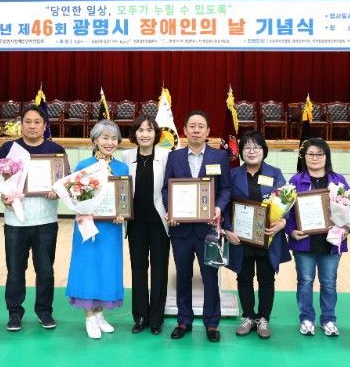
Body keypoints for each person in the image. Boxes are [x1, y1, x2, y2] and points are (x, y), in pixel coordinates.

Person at [162, 110, 232, 343]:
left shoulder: (219, 157)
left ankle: (211, 323)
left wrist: (218, 208)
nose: (196, 130)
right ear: (184, 130)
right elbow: (166, 189)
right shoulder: (174, 157)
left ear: (208, 131)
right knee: (182, 275)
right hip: (181, 229)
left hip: (207, 229)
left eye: (201, 126)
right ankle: (184, 320)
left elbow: (225, 189)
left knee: (210, 276)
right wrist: (170, 209)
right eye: (192, 126)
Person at [0, 104, 67, 332]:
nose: (32, 126)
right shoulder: (9, 148)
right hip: (15, 221)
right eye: (27, 121)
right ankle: (14, 313)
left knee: (45, 271)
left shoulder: (56, 150)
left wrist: (58, 191)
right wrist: (3, 196)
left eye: (37, 122)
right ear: (21, 124)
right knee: (15, 271)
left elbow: (65, 182)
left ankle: (44, 311)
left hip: (45, 220)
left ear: (45, 125)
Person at [65, 119, 128, 339]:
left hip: (111, 227)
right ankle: (89, 316)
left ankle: (100, 313)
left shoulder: (122, 167)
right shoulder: (83, 165)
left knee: (107, 267)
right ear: (95, 140)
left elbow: (124, 198)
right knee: (88, 267)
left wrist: (122, 212)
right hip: (88, 226)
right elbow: (74, 197)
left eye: (114, 138)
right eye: (105, 137)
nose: (110, 142)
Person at [225, 130, 290, 339]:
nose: (251, 151)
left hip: (267, 238)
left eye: (256, 147)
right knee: (244, 277)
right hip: (241, 238)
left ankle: (263, 318)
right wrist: (227, 230)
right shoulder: (232, 174)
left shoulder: (275, 173)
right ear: (241, 151)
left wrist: (282, 223)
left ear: (264, 150)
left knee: (266, 279)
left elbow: (287, 202)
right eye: (247, 147)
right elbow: (224, 205)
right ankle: (248, 317)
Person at [285, 137, 349, 337]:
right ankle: (306, 319)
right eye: (311, 154)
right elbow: (286, 212)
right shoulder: (296, 181)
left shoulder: (338, 181)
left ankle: (329, 320)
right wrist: (291, 231)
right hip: (304, 242)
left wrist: (347, 229)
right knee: (305, 281)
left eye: (320, 154)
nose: (315, 158)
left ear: (326, 157)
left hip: (331, 243)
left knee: (329, 282)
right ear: (304, 157)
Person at [122, 114, 170, 335]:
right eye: (140, 130)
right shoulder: (126, 156)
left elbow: (171, 188)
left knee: (159, 270)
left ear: (156, 133)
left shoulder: (166, 156)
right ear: (135, 134)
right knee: (138, 269)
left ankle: (157, 318)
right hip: (135, 223)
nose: (145, 134)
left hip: (159, 222)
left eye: (149, 130)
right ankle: (140, 316)